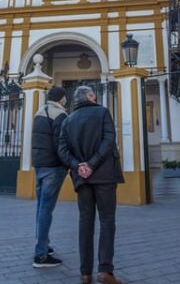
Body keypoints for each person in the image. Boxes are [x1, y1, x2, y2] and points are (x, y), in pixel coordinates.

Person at [58, 86, 124, 284]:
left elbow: (62, 151)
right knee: (107, 221)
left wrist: (79, 166)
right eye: (93, 95)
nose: (95, 98)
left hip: (82, 179)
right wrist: (92, 164)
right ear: (89, 96)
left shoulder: (68, 120)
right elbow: (109, 140)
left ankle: (85, 273)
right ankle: (105, 270)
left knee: (85, 223)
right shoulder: (102, 112)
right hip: (104, 176)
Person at [31, 86, 69, 268]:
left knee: (41, 208)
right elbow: (60, 142)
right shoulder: (60, 114)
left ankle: (43, 244)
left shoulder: (39, 112)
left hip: (39, 165)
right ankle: (40, 255)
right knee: (46, 209)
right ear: (61, 98)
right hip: (53, 167)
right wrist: (67, 163)